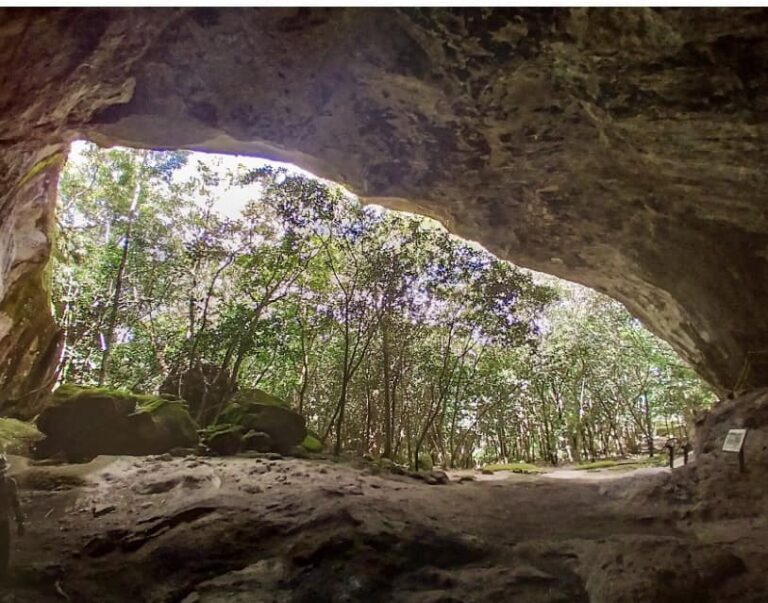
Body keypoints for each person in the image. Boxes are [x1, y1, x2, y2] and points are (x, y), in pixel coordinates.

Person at [0, 455, 25, 581]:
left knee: (4, 549)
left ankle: (3, 575)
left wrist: (20, 521)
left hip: (3, 521)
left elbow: (16, 503)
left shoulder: (10, 483)